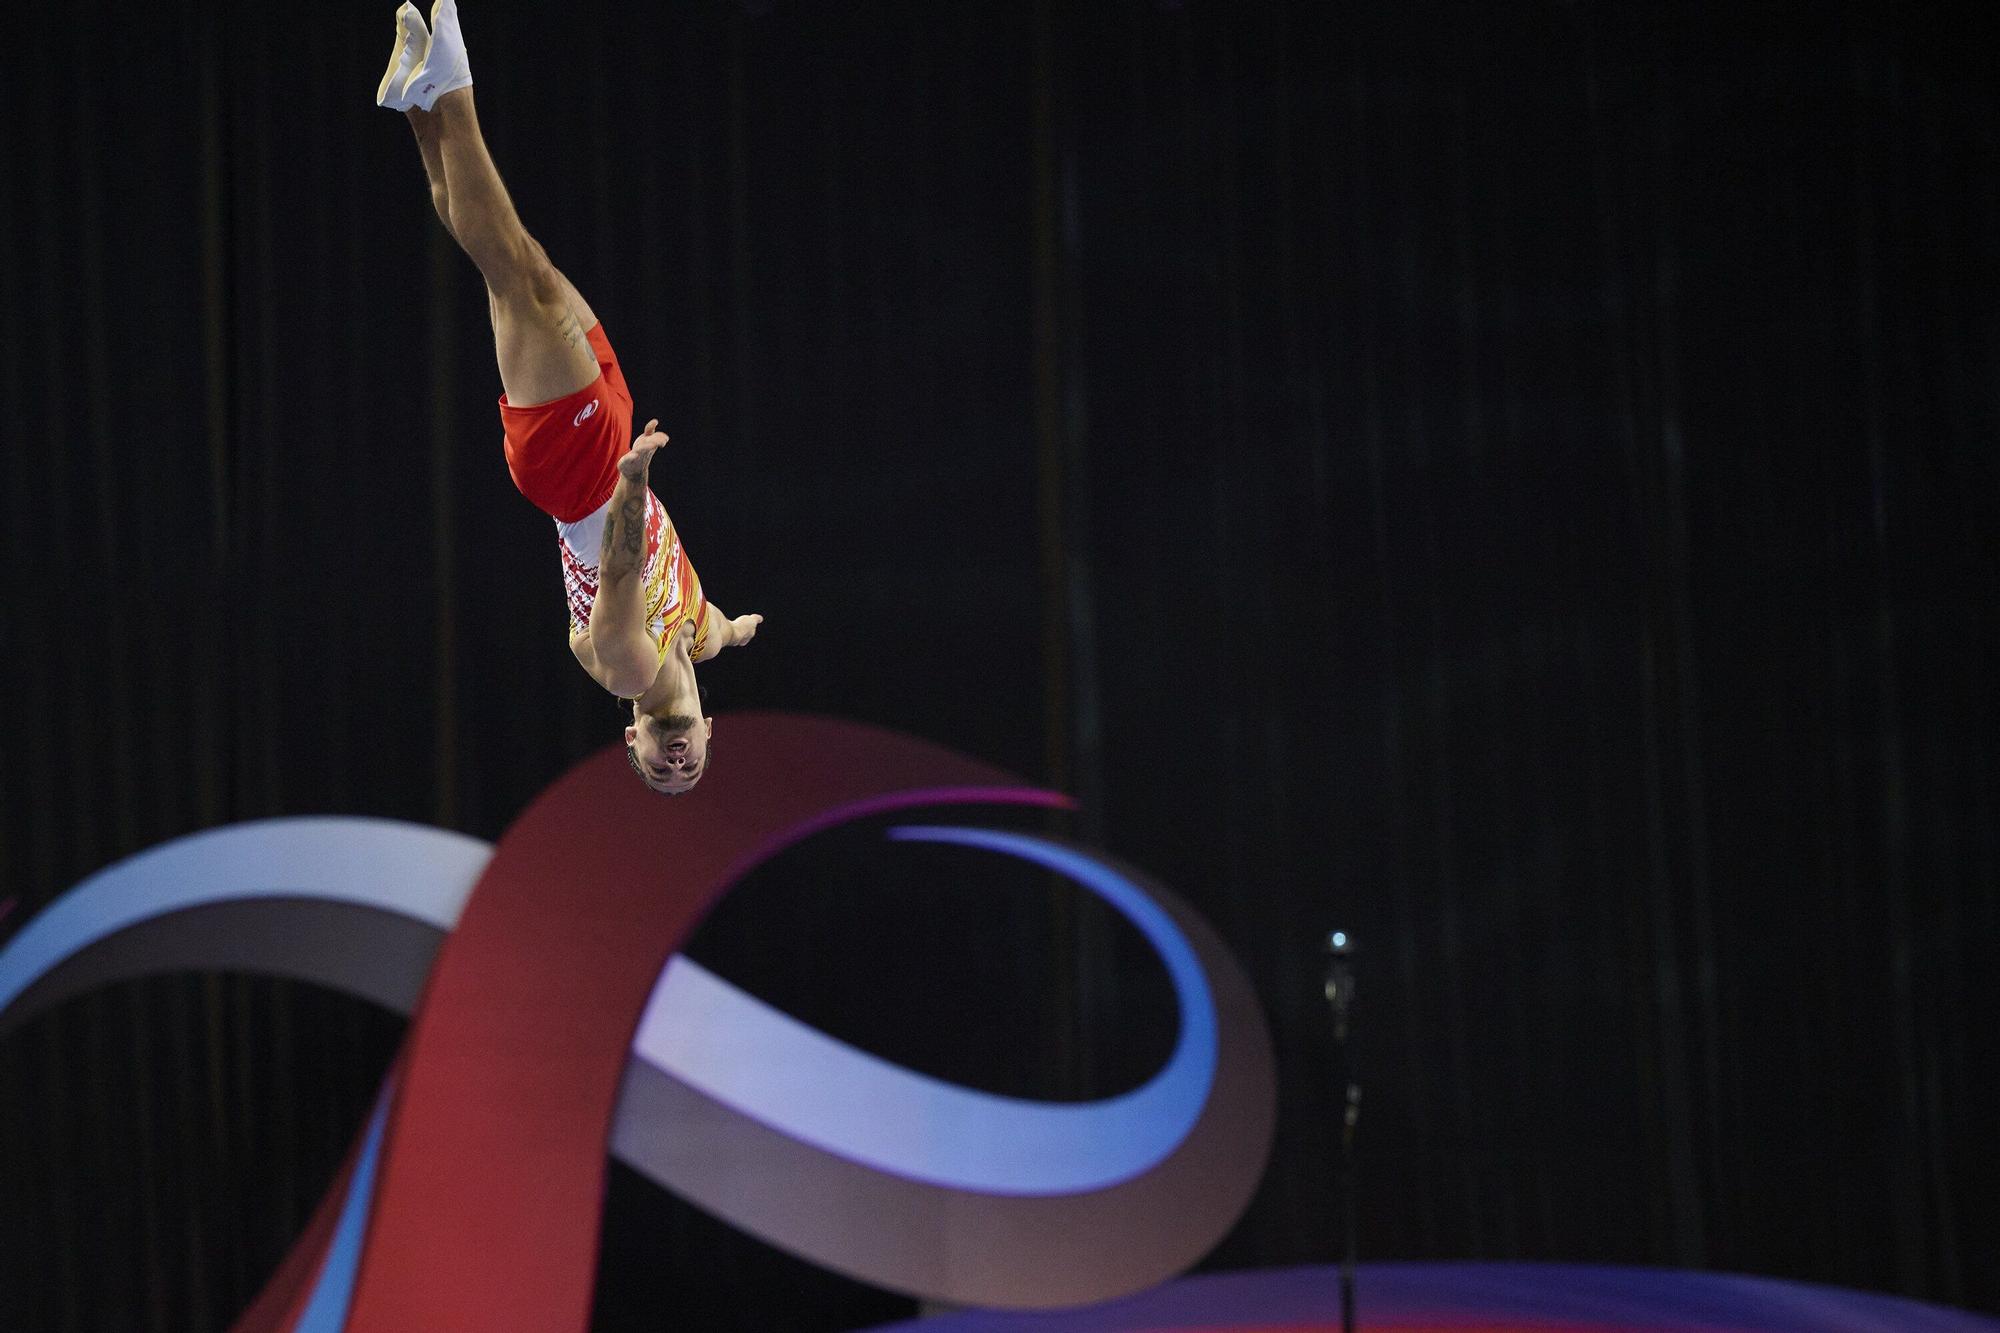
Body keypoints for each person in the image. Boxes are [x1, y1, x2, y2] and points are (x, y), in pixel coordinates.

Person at [376, 0, 760, 794]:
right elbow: (718, 626)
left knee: (520, 278)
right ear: (714, 731)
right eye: (691, 767)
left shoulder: (631, 671)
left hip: (585, 478)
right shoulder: (695, 635)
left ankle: (453, 86)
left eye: (660, 770)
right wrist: (738, 628)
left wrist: (633, 478)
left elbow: (621, 570)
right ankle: (416, 102)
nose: (676, 762)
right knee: (519, 274)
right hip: (600, 452)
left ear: (632, 742)